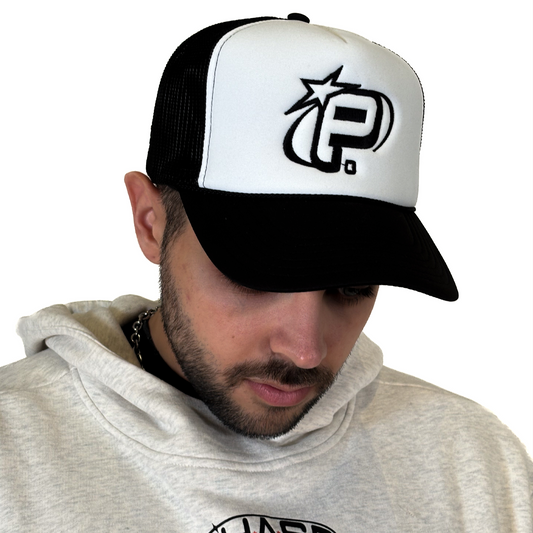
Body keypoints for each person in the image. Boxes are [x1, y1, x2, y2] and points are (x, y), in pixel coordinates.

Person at [0, 14, 531, 532]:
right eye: (256, 274)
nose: (305, 351)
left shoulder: (473, 463)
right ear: (150, 223)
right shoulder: (13, 450)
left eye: (352, 285)